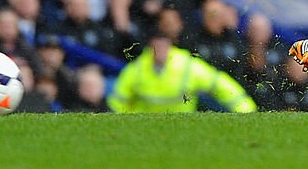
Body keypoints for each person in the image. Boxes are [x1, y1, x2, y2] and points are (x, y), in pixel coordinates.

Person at [107, 24, 256, 113]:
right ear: (149, 47)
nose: (160, 50)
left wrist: (245, 109)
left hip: (182, 126)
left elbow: (219, 84)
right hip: (144, 128)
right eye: (156, 46)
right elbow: (118, 102)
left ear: (170, 46)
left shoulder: (186, 65)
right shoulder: (137, 69)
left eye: (163, 46)